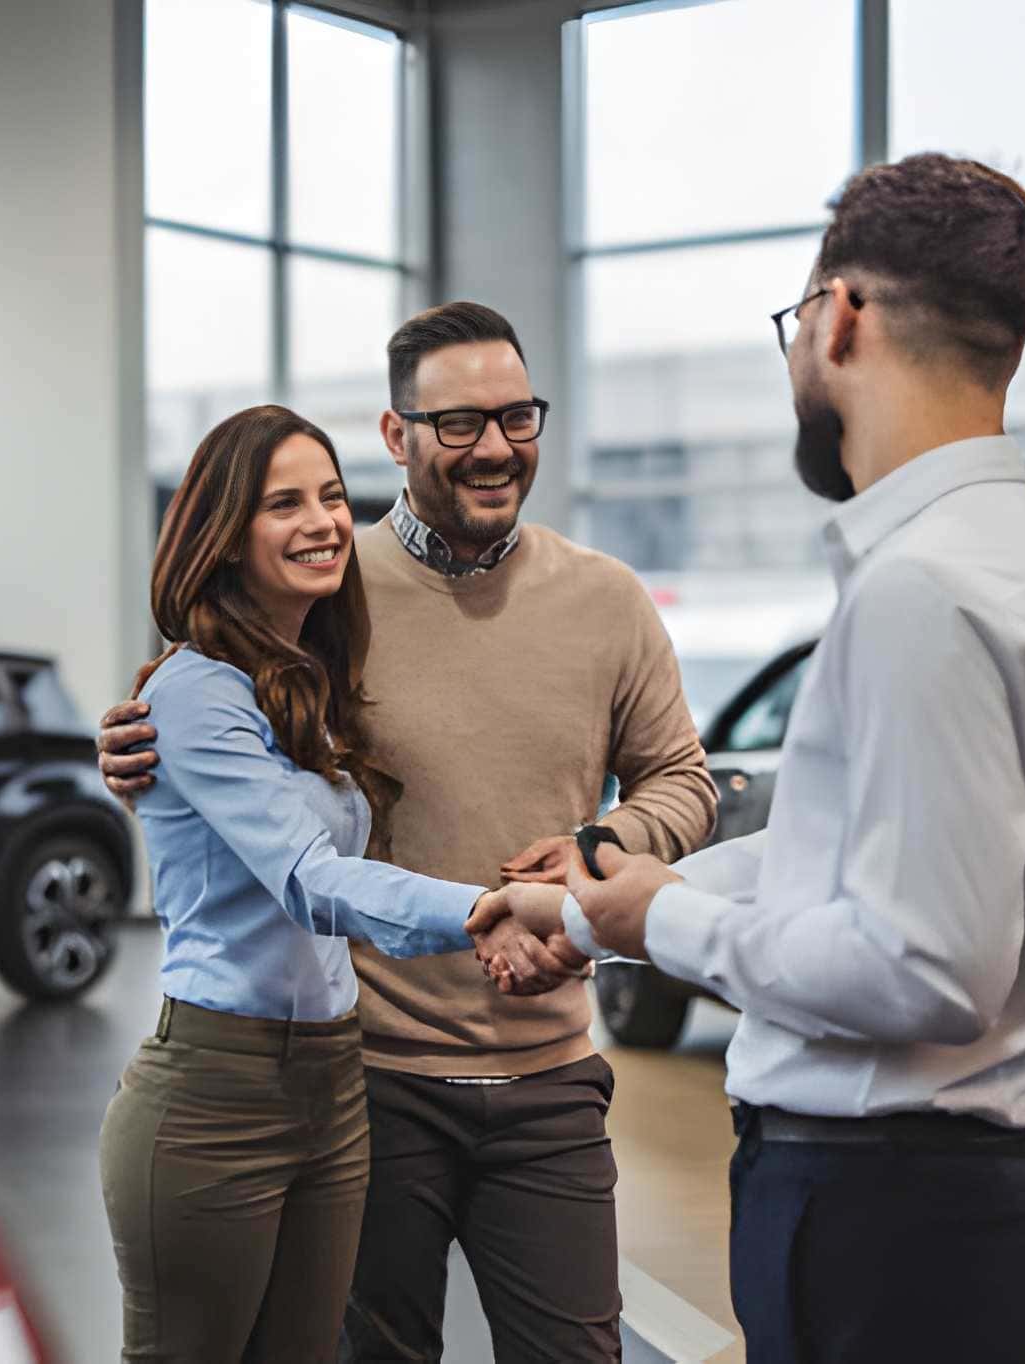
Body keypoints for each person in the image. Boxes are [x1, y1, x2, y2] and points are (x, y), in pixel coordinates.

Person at [530, 153, 1025, 1362]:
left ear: (837, 315)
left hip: (892, 1232)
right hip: (967, 1217)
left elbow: (925, 966)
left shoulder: (920, 592)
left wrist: (661, 926)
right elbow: (849, 858)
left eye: (794, 321)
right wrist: (590, 905)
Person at [99, 303, 718, 1362]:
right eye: (460, 421)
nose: (493, 445)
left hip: (547, 1068)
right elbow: (235, 739)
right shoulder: (332, 597)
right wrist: (134, 748)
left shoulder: (606, 598)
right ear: (398, 434)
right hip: (371, 1078)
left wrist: (593, 849)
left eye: (516, 415)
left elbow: (680, 778)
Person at [97, 404, 556, 1364]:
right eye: (283, 504)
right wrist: (476, 910)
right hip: (214, 1091)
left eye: (333, 496)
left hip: (334, 1088)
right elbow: (310, 880)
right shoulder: (195, 690)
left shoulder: (311, 674)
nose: (322, 522)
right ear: (223, 534)